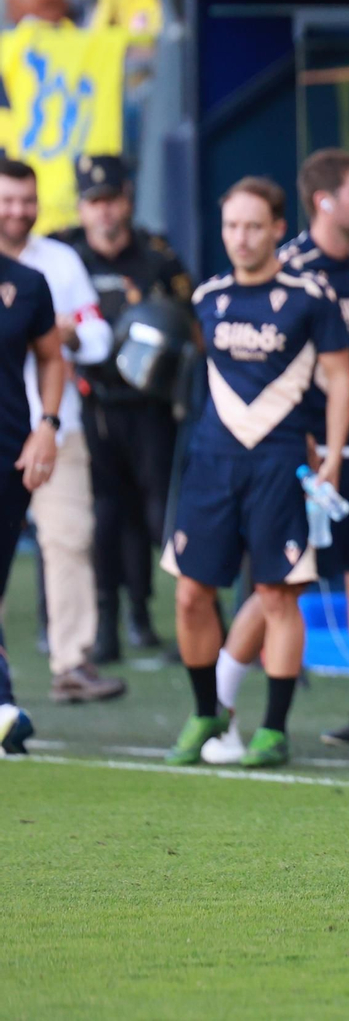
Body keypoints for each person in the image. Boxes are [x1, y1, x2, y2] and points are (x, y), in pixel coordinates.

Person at [206, 150, 349, 768]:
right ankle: (215, 711)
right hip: (306, 457)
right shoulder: (293, 274)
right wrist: (307, 444)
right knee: (276, 588)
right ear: (325, 203)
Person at [161, 176, 349, 768]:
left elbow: (342, 379)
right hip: (212, 462)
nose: (240, 238)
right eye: (230, 227)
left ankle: (272, 729)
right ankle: (205, 713)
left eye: (252, 226)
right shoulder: (208, 297)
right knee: (192, 593)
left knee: (276, 594)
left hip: (280, 463)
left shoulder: (310, 296)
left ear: (276, 228)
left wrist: (334, 462)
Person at [53, 153, 194, 664]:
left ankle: (190, 620)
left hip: (151, 406)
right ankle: (108, 625)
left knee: (162, 513)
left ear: (128, 201)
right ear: (82, 208)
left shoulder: (157, 257)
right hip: (91, 406)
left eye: (112, 200)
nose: (105, 213)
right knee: (105, 517)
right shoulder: (66, 256)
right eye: (95, 203)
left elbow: (190, 321)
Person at [0, 159, 123, 704]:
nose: (18, 211)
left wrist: (65, 333)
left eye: (26, 200)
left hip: (56, 428)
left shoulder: (57, 263)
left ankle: (72, 660)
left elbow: (95, 337)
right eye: (7, 200)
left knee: (68, 541)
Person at [0, 249, 68, 754]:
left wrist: (47, 424)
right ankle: (3, 706)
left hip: (9, 453)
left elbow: (50, 357)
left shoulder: (27, 282)